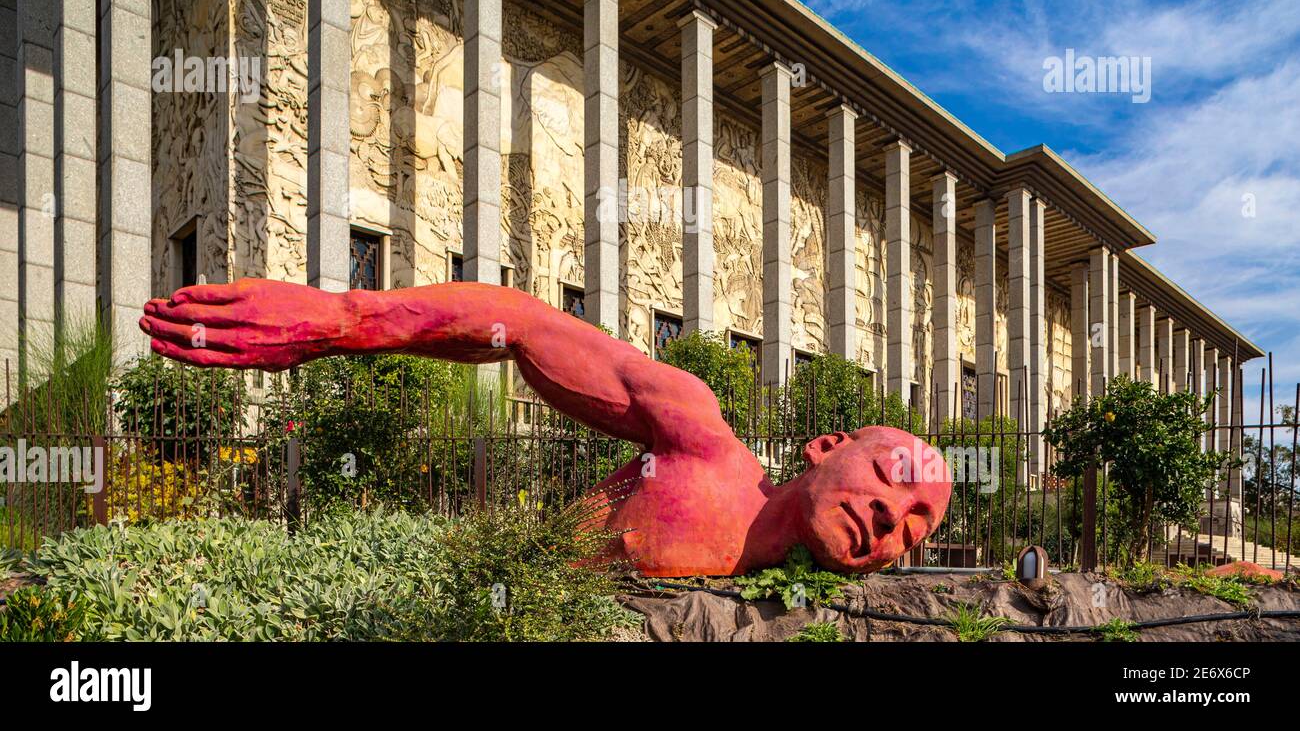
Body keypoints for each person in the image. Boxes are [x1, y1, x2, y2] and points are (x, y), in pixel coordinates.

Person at [141, 278, 951, 576]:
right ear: (825, 447)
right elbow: (526, 326)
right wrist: (348, 317)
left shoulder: (821, 607)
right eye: (894, 484)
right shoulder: (700, 440)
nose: (890, 521)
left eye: (913, 535)